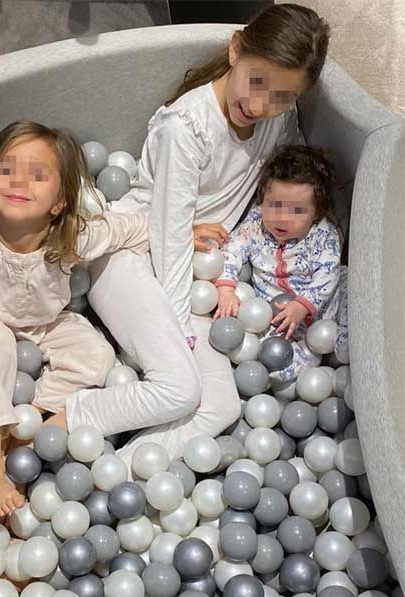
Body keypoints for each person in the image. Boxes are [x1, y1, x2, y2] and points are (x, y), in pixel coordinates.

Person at [69, 3, 331, 462]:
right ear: (235, 50)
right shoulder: (187, 127)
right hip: (132, 255)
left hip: (197, 277)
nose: (261, 105)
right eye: (257, 82)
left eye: (282, 96)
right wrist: (181, 335)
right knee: (181, 388)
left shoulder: (278, 119)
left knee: (222, 405)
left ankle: (120, 472)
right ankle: (62, 420)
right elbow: (169, 238)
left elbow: (294, 180)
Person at [0, 120, 171, 518]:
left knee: (96, 354)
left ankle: (24, 429)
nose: (19, 182)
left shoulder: (71, 236)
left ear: (60, 202)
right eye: (6, 170)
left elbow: (130, 228)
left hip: (44, 323)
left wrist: (180, 235)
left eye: (38, 175)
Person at [215, 145, 345, 382]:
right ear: (263, 198)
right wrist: (226, 288)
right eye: (274, 205)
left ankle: (339, 343)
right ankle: (275, 371)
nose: (282, 218)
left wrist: (303, 305)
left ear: (317, 213)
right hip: (272, 317)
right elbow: (232, 248)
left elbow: (327, 275)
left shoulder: (323, 235)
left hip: (321, 313)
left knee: (346, 283)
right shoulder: (255, 224)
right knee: (265, 354)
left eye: (297, 211)